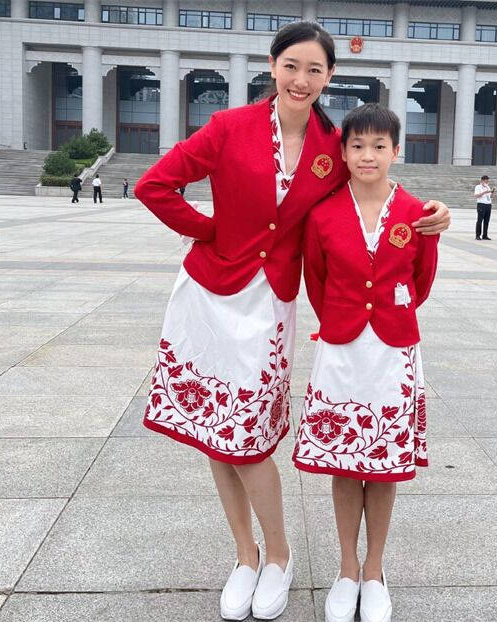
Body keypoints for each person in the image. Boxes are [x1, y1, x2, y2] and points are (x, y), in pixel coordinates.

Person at [133, 21, 450, 622]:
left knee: (247, 433)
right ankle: (245, 556)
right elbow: (156, 185)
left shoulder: (336, 144)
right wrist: (213, 231)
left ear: (330, 77)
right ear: (271, 65)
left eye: (315, 70)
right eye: (291, 66)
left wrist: (435, 213)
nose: (301, 80)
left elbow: (373, 189)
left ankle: (279, 556)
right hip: (209, 291)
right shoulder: (231, 127)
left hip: (272, 299)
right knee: (215, 433)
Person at [293, 104, 439, 622]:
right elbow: (317, 281)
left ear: (397, 151)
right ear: (344, 152)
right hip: (341, 348)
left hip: (393, 351)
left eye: (379, 146)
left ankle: (375, 570)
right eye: (357, 146)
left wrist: (384, 314)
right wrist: (346, 316)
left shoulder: (418, 213)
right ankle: (347, 569)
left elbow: (419, 282)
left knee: (383, 468)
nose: (367, 155)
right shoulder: (323, 213)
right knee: (344, 462)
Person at [474, 175, 494, 240]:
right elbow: (476, 195)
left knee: (486, 220)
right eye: (486, 181)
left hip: (488, 204)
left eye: (488, 181)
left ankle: (485, 235)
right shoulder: (478, 187)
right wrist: (484, 192)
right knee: (480, 220)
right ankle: (477, 235)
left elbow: (490, 196)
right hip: (481, 204)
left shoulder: (488, 187)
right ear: (482, 180)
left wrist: (492, 193)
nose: (487, 182)